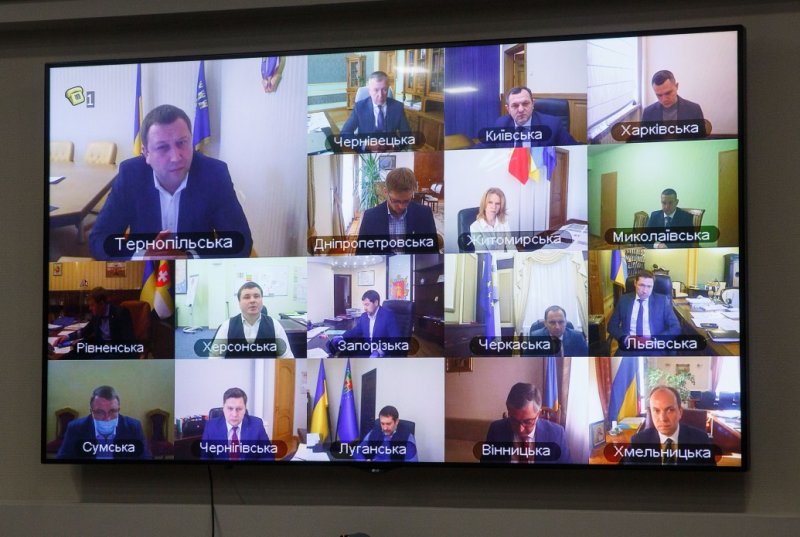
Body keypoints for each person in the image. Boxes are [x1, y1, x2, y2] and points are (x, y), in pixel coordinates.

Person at [89, 104, 252, 260]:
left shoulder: (214, 174)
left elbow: (240, 243)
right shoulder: (130, 175)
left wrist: (189, 258)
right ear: (146, 153)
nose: (175, 157)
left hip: (194, 272)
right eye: (162, 147)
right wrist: (142, 255)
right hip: (146, 272)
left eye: (182, 143)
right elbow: (99, 239)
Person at [481, 382, 571, 464]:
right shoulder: (496, 430)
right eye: (514, 421)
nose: (520, 429)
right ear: (509, 411)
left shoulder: (556, 434)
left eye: (528, 422)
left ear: (538, 414)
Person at [624, 386, 714, 466]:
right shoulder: (638, 442)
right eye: (656, 411)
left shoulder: (701, 440)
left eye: (670, 410)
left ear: (680, 412)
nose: (663, 418)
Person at [355, 167, 437, 255]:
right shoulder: (370, 217)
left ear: (412, 193)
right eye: (396, 201)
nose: (401, 206)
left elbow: (433, 252)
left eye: (406, 201)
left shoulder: (425, 214)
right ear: (385, 192)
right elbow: (361, 254)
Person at [57, 385, 150, 459]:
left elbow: (145, 458)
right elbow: (63, 458)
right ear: (91, 411)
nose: (107, 418)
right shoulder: (75, 428)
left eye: (112, 411)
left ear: (118, 409)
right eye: (99, 412)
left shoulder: (133, 427)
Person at [210, 282, 294, 358]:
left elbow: (286, 358)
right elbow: (215, 359)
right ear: (239, 302)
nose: (252, 300)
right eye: (247, 297)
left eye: (256, 296)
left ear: (262, 300)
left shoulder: (275, 325)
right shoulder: (227, 326)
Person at [53, 287, 137, 359]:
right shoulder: (97, 314)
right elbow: (86, 330)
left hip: (114, 351)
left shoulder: (121, 313)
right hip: (99, 347)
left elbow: (128, 341)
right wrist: (67, 337)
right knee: (74, 353)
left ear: (101, 304)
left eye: (92, 305)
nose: (90, 308)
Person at [607, 270, 681, 350]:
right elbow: (612, 326)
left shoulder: (662, 301)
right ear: (635, 283)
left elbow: (675, 327)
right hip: (630, 346)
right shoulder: (624, 300)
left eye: (649, 286)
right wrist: (626, 339)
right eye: (642, 285)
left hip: (654, 347)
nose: (645, 291)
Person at [483, 86, 577, 148]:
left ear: (533, 104)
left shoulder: (553, 125)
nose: (520, 109)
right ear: (508, 109)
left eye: (525, 104)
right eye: (515, 105)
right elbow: (485, 146)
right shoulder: (501, 124)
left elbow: (574, 148)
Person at [200, 387, 274, 461]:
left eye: (239, 409)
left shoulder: (257, 425)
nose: (234, 414)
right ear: (223, 408)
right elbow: (205, 457)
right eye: (230, 408)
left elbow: (267, 454)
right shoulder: (210, 426)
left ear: (245, 409)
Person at [332, 290, 401, 357]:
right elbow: (356, 331)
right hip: (367, 349)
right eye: (364, 305)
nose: (364, 308)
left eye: (367, 305)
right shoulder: (364, 316)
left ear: (376, 303)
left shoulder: (388, 315)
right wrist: (342, 337)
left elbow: (395, 339)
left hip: (383, 354)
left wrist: (379, 351)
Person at [341, 71, 411, 136]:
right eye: (376, 90)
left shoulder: (398, 107)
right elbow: (345, 132)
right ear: (369, 91)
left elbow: (407, 135)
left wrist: (395, 144)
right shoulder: (359, 107)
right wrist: (365, 144)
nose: (380, 95)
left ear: (388, 89)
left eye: (384, 89)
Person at [353, 405, 418, 462]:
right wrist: (364, 461)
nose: (385, 428)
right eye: (382, 423)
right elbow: (357, 451)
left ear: (397, 422)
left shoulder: (408, 438)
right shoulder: (374, 432)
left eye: (388, 424)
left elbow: (411, 465)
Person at [469, 187, 511, 252]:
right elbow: (483, 253)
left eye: (497, 203)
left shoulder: (504, 221)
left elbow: (510, 246)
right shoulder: (475, 227)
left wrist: (516, 257)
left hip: (503, 257)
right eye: (490, 202)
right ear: (484, 204)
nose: (494, 207)